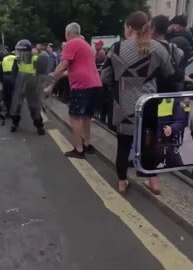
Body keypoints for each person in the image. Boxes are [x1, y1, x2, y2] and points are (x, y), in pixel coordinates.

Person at [101, 11, 175, 194]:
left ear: (128, 27)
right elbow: (172, 75)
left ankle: (122, 182)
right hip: (148, 105)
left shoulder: (116, 48)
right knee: (149, 144)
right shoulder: (158, 48)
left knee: (123, 145)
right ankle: (153, 181)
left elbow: (105, 77)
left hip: (123, 106)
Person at [52, 22, 103, 158]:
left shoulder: (72, 43)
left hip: (81, 86)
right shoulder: (86, 45)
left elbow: (62, 66)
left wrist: (52, 77)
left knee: (74, 116)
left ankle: (79, 149)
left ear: (68, 33)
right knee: (86, 116)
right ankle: (87, 144)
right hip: (95, 84)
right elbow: (75, 69)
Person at [10, 39, 49, 134]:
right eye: (19, 51)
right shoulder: (18, 59)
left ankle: (39, 126)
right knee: (17, 106)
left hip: (32, 87)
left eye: (22, 51)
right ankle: (14, 123)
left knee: (33, 108)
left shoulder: (35, 59)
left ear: (28, 51)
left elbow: (42, 74)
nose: (20, 53)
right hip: (20, 85)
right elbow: (14, 73)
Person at [151, 15, 185, 92]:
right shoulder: (176, 49)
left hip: (154, 93)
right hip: (170, 94)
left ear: (153, 29)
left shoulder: (149, 48)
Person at [156, 98, 185, 169]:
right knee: (146, 170)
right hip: (149, 143)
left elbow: (180, 121)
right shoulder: (147, 96)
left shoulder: (173, 100)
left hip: (167, 143)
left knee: (179, 166)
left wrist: (172, 128)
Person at [0, 52, 16, 117]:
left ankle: (9, 112)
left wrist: (2, 81)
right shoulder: (17, 58)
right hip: (14, 78)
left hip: (6, 78)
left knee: (7, 96)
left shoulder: (4, 59)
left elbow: (0, 72)